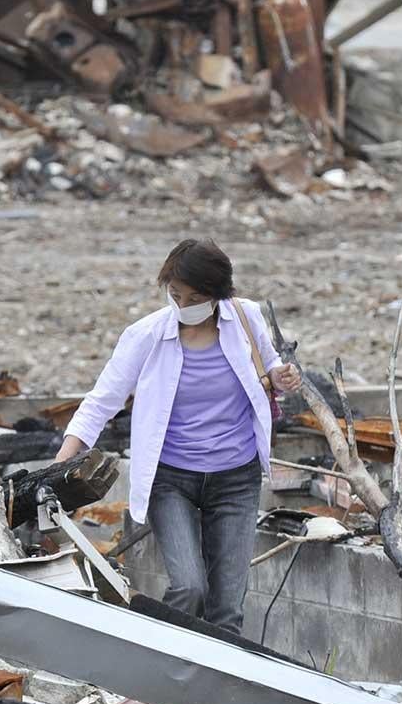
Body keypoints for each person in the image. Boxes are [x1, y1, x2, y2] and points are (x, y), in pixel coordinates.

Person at [55, 239, 299, 633]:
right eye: (176, 295)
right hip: (171, 481)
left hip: (236, 479)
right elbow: (101, 403)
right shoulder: (147, 335)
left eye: (195, 298)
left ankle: (214, 691)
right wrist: (59, 465)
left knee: (227, 611)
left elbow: (270, 370)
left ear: (219, 295)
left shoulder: (246, 317)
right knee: (188, 587)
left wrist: (281, 377)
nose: (184, 306)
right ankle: (159, 660)